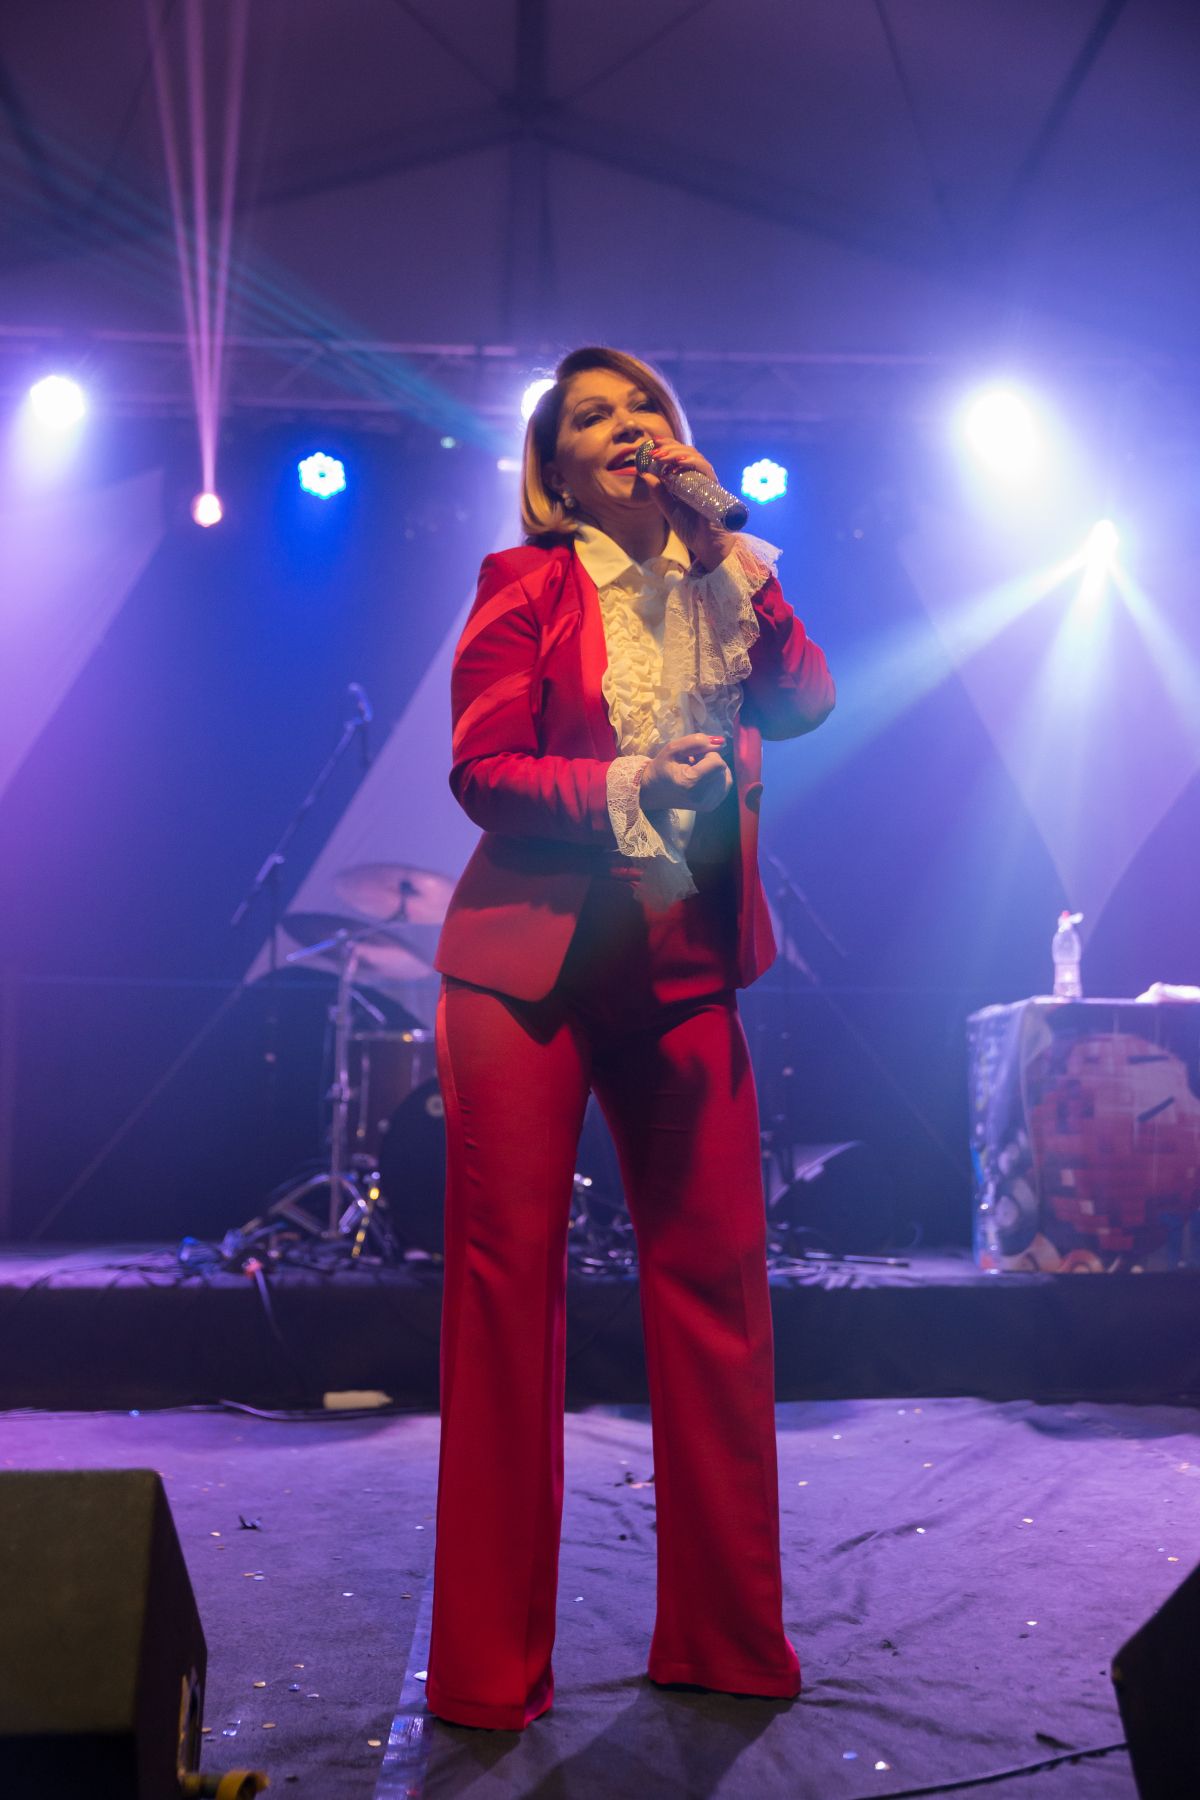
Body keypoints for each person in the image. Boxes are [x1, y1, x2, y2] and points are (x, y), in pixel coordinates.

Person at [427, 345, 835, 1730]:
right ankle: (489, 1672)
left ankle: (726, 1642)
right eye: (591, 417)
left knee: (719, 1290)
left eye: (642, 406)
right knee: (508, 1302)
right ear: (553, 468)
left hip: (682, 966)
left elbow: (806, 702)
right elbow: (484, 769)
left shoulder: (732, 575)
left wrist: (729, 556)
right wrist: (626, 785)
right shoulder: (527, 583)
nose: (625, 426)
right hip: (526, 971)